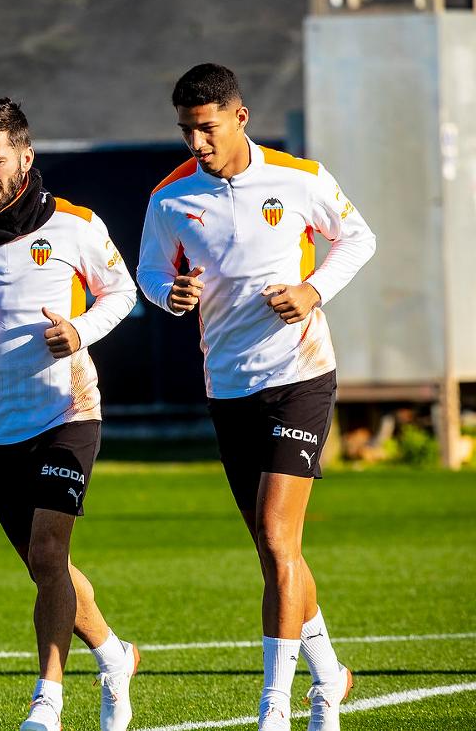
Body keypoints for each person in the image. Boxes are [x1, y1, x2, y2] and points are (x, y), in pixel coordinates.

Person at [137, 63, 376, 731]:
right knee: (280, 551)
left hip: (300, 374)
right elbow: (152, 270)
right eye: (186, 130)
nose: (196, 143)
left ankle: (274, 706)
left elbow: (359, 237)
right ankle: (331, 676)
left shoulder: (300, 177)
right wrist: (169, 293)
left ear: (240, 117)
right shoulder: (170, 198)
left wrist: (312, 290)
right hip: (229, 384)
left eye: (207, 128)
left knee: (276, 537)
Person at [0, 98, 141, 731]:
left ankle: (46, 702)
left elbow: (122, 293)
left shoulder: (75, 226)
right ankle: (112, 653)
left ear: (26, 155)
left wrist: (79, 331)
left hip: (67, 409)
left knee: (49, 551)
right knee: (48, 568)